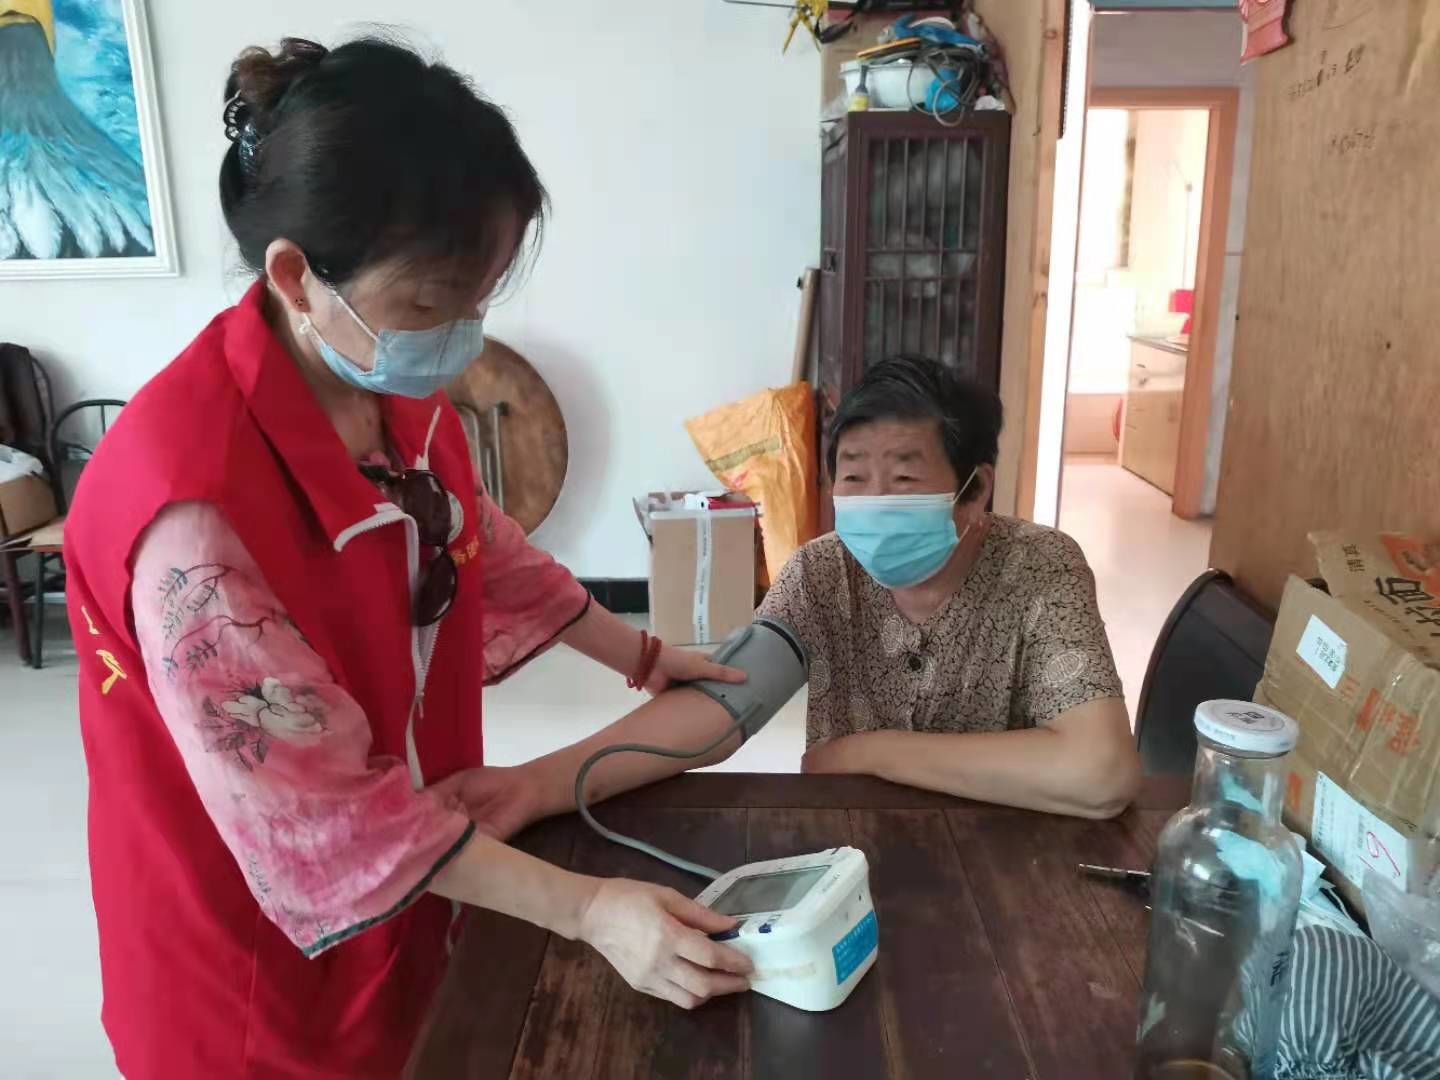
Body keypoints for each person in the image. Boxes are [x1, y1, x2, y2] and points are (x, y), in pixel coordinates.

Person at [65, 37, 759, 1079]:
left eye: (481, 296)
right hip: (253, 957)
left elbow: (476, 538)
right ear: (296, 277)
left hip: (410, 849)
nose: (463, 333)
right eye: (433, 304)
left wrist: (642, 655)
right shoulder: (192, 520)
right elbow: (328, 812)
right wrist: (589, 911)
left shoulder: (382, 385)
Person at [756, 355, 1141, 818]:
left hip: (1004, 843)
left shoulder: (1040, 565)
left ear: (975, 490)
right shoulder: (819, 571)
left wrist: (873, 753)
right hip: (851, 842)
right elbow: (719, 706)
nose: (874, 502)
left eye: (903, 479)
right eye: (853, 477)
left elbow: (1101, 772)